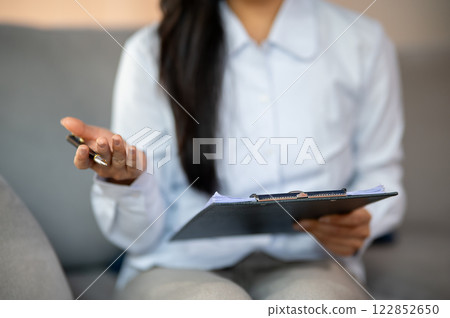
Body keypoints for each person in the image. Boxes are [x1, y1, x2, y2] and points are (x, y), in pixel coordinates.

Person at [61, 0, 405, 299]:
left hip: (312, 261)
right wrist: (126, 182)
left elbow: (384, 172)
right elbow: (140, 238)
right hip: (176, 264)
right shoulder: (150, 52)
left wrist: (362, 223)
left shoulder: (364, 42)